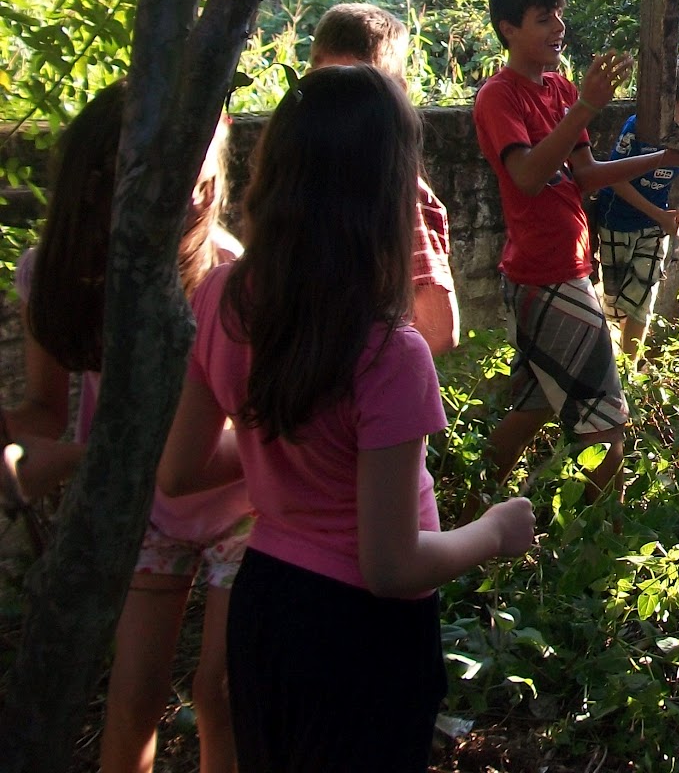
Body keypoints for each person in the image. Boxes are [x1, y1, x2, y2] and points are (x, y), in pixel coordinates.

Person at [159, 65, 535, 773]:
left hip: (264, 606)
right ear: (389, 192)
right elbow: (390, 565)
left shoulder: (221, 296)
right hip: (363, 636)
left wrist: (284, 435)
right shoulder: (389, 352)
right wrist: (493, 530)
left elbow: (180, 471)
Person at [1, 82, 247, 773]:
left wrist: (79, 457)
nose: (195, 197)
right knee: (133, 697)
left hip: (240, 503)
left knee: (221, 692)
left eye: (203, 180)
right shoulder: (56, 275)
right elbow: (44, 412)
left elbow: (247, 429)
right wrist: (17, 448)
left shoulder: (229, 277)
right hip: (148, 511)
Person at [471, 0, 679, 498]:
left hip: (563, 268)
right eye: (543, 18)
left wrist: (668, 158)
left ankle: (465, 518)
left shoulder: (559, 88)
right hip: (547, 275)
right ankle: (596, 537)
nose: (558, 27)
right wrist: (586, 105)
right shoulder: (499, 97)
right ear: (509, 29)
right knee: (607, 428)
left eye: (559, 15)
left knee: (532, 410)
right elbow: (528, 176)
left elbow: (585, 174)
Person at [309, 1, 459, 356]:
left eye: (360, 95)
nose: (341, 110)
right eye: (328, 89)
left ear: (397, 95)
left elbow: (438, 328)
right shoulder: (302, 175)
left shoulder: (397, 192)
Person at [592, 57, 679, 364]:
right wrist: (661, 216)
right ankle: (614, 361)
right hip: (617, 219)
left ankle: (630, 370)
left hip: (656, 225)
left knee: (644, 297)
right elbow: (614, 178)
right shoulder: (637, 129)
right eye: (675, 111)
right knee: (615, 300)